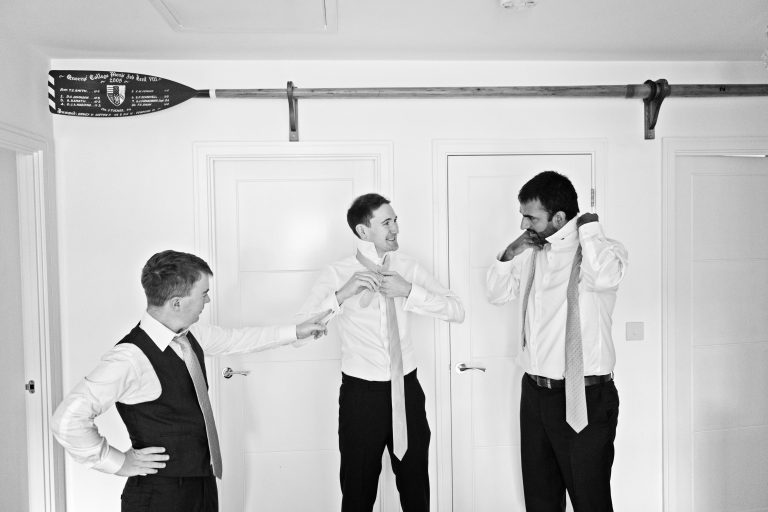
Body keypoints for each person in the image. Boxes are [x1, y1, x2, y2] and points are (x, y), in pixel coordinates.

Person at [52, 250, 330, 512]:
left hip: (201, 484)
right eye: (204, 294)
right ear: (177, 302)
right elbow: (67, 421)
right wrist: (118, 462)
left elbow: (239, 339)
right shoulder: (129, 358)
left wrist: (297, 331)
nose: (207, 301)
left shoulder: (190, 335)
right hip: (159, 495)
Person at [298, 193, 464, 512]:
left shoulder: (408, 268)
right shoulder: (336, 273)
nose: (396, 228)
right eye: (387, 222)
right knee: (358, 492)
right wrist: (343, 294)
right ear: (364, 231)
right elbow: (300, 332)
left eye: (396, 220)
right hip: (361, 397)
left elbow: (457, 310)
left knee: (416, 489)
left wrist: (409, 292)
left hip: (408, 391)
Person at [486, 171, 628, 512]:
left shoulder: (601, 253)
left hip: (584, 399)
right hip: (535, 396)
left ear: (560, 217)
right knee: (541, 501)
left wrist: (589, 225)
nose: (523, 223)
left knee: (590, 501)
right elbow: (496, 293)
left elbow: (607, 276)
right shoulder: (534, 253)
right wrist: (511, 251)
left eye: (531, 217)